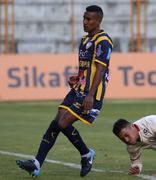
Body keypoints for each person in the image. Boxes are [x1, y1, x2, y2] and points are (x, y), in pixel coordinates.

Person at [16, 5, 113, 177]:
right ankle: (37, 164)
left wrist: (90, 95)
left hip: (91, 94)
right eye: (84, 18)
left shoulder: (103, 41)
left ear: (98, 21)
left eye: (89, 19)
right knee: (57, 121)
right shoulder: (84, 40)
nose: (84, 22)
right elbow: (87, 67)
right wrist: (78, 77)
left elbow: (100, 70)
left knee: (62, 123)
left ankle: (86, 153)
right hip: (78, 89)